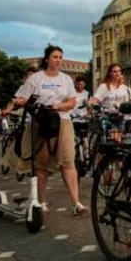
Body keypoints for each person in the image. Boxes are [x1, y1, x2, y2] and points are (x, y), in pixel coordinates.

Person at [13, 45, 87, 216]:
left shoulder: (66, 79)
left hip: (63, 121)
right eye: (55, 57)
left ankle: (76, 203)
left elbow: (71, 102)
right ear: (47, 59)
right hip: (40, 122)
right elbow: (22, 98)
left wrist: (58, 106)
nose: (59, 60)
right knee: (41, 165)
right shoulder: (35, 79)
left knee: (68, 161)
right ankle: (41, 201)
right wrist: (19, 102)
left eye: (60, 57)